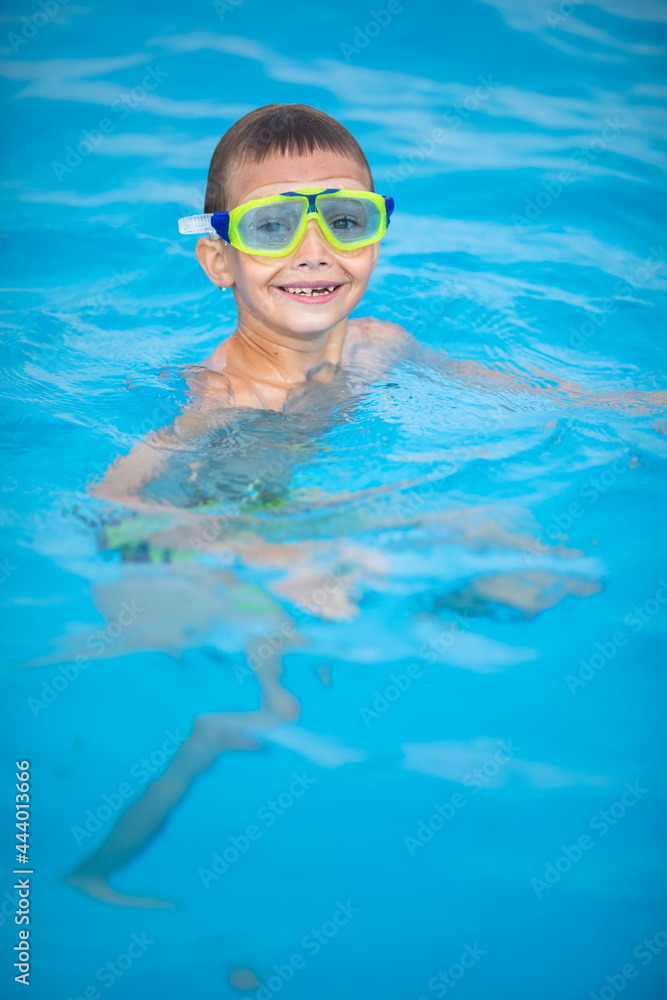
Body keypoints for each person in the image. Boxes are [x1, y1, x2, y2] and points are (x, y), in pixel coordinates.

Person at [67, 104, 664, 907]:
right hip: (233, 536)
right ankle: (102, 866)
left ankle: (410, 608)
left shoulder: (376, 344)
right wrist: (257, 553)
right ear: (219, 259)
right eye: (274, 225)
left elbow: (527, 394)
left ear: (374, 238)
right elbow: (114, 498)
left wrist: (640, 404)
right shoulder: (225, 397)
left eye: (343, 221)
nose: (314, 251)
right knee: (265, 701)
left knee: (528, 562)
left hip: (315, 513)